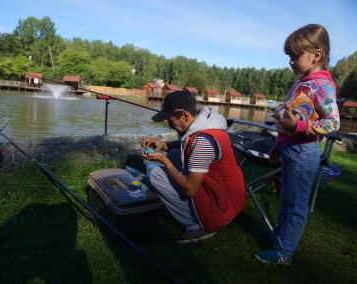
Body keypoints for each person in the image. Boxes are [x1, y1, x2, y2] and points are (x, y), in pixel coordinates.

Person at [254, 24, 340, 264]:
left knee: (296, 204)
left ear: (316, 55)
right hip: (290, 149)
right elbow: (289, 118)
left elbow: (332, 124)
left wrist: (299, 128)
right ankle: (277, 236)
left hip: (304, 152)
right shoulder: (304, 82)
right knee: (286, 198)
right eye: (289, 56)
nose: (291, 61)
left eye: (295, 56)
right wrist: (277, 145)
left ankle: (284, 253)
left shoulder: (321, 85)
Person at [141, 90, 246, 243]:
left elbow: (190, 189)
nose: (170, 125)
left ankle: (195, 226)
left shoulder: (203, 142)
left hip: (220, 208)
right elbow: (187, 146)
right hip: (229, 199)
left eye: (170, 121)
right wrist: (164, 145)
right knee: (176, 153)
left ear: (184, 115)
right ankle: (197, 217)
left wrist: (163, 160)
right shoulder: (207, 125)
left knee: (155, 174)